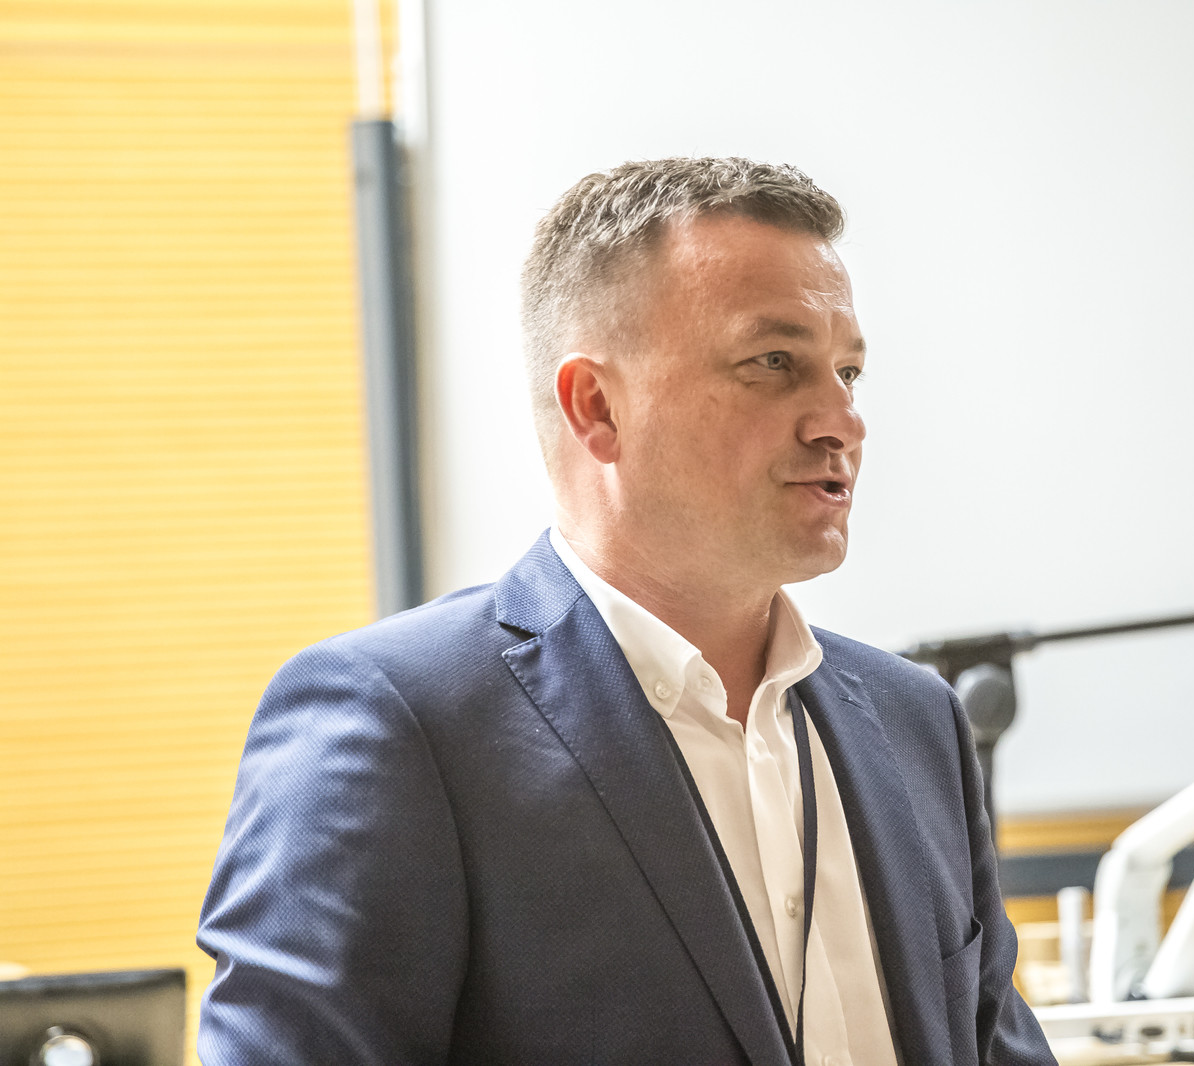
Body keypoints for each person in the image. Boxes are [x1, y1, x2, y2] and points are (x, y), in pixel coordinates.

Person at [197, 157, 1054, 1065]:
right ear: (596, 406)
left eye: (848, 372)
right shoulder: (397, 723)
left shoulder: (917, 723)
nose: (841, 421)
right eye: (774, 363)